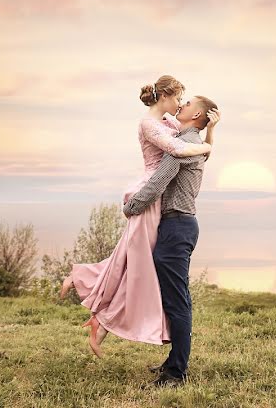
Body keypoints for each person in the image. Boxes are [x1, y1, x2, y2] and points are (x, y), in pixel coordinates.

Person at [59, 75, 218, 358]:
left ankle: (97, 309)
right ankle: (86, 283)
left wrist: (210, 135)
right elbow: (178, 150)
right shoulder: (149, 124)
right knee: (133, 258)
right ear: (166, 96)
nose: (181, 102)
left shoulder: (171, 124)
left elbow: (187, 141)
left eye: (186, 101)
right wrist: (208, 144)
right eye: (179, 97)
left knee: (136, 261)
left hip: (159, 204)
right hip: (148, 194)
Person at [123, 94, 220, 387]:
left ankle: (176, 372)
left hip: (177, 227)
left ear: (197, 116)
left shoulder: (184, 146)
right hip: (177, 226)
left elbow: (159, 181)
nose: (182, 105)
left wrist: (132, 206)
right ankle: (174, 361)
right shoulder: (188, 141)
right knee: (175, 298)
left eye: (188, 104)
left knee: (177, 301)